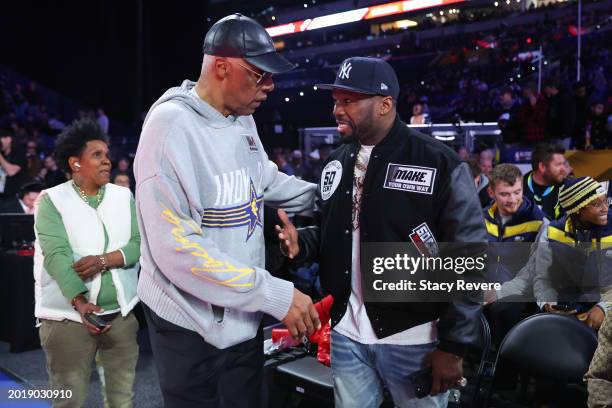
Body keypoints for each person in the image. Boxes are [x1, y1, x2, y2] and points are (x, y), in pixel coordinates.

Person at [133, 14, 320, 408]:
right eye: (259, 76)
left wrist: (324, 198)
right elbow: (177, 249)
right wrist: (272, 294)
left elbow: (262, 178)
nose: (269, 87)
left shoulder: (242, 118)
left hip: (242, 313)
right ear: (221, 67)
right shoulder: (170, 128)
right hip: (190, 325)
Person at [277, 57, 487, 407]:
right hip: (347, 335)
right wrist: (303, 242)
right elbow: (335, 235)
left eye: (349, 101)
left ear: (385, 104)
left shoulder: (439, 162)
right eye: (335, 100)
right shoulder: (336, 162)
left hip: (417, 339)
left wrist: (453, 346)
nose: (337, 110)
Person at [33, 119, 141, 407]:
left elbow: (138, 244)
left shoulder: (123, 195)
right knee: (69, 400)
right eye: (97, 155)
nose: (107, 161)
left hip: (121, 314)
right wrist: (81, 304)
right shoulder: (51, 200)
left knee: (122, 399)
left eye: (107, 155)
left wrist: (103, 261)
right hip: (68, 318)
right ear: (75, 163)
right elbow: (57, 255)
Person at [534, 176, 611, 331]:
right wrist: (549, 304)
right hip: (570, 309)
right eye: (597, 204)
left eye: (606, 201)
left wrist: (604, 307)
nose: (605, 208)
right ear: (577, 210)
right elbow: (542, 279)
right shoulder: (551, 233)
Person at [482, 164, 545, 345]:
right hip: (483, 288)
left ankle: (503, 365)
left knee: (503, 310)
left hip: (518, 293)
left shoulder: (539, 222)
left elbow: (534, 270)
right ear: (491, 192)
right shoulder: (480, 218)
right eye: (505, 194)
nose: (513, 199)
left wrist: (498, 292)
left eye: (517, 192)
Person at [523, 143, 567, 220]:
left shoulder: (568, 189)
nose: (564, 169)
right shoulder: (516, 188)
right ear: (542, 167)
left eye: (564, 164)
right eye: (558, 164)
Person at [0, 128, 28, 200]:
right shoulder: (2, 155)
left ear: (9, 139)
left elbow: (11, 172)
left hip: (14, 197)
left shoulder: (19, 153)